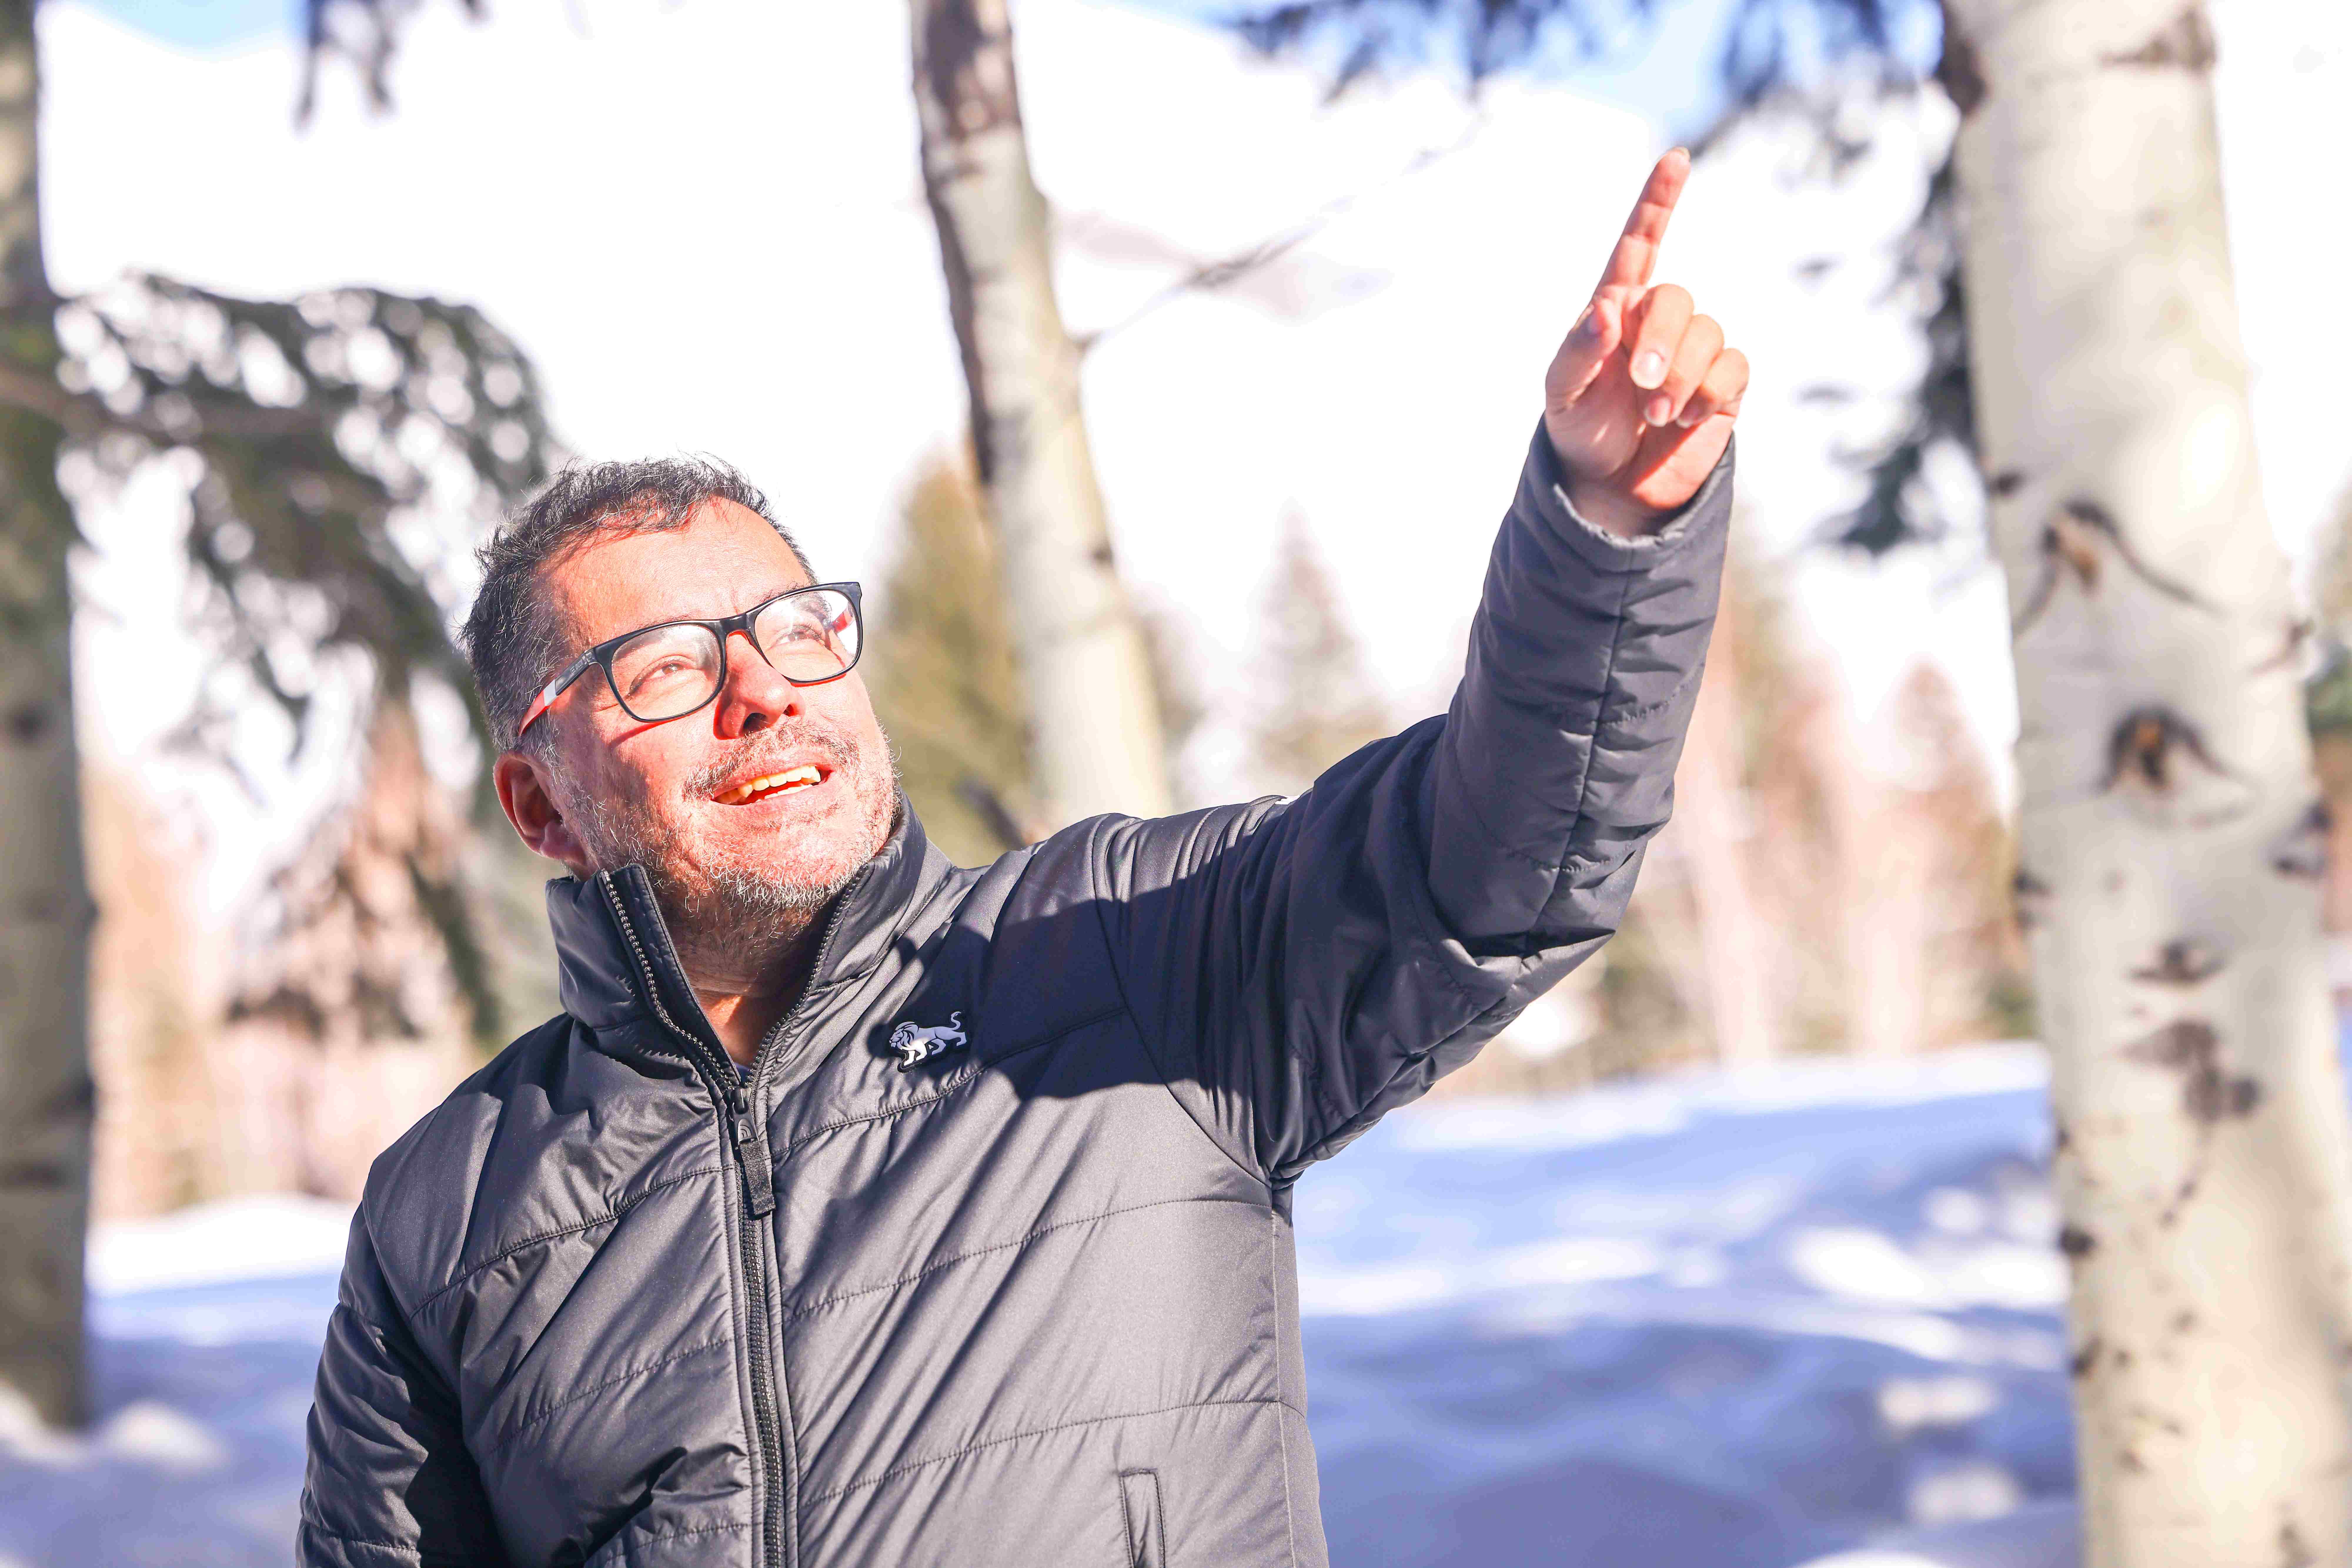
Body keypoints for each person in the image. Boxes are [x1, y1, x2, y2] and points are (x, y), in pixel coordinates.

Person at [298, 150, 1747, 1568]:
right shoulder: (448, 1216)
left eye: (795, 629)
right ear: (539, 799)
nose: (765, 693)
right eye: (666, 666)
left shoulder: (1121, 955)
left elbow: (1492, 864)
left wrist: (1605, 530)